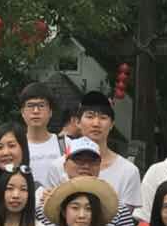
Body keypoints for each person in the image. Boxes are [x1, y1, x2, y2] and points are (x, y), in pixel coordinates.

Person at [35, 136, 139, 226]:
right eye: (78, 160)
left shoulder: (119, 211)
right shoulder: (45, 209)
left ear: (100, 166)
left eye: (92, 161)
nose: (85, 166)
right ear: (65, 165)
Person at [43, 91, 142, 219]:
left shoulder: (128, 171)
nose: (96, 123)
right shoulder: (57, 166)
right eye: (89, 116)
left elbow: (123, 220)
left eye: (103, 118)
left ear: (112, 124)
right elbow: (51, 214)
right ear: (77, 122)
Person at [19, 82, 65, 179]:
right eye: (30, 105)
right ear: (22, 112)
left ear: (50, 112)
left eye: (41, 105)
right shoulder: (16, 146)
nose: (36, 111)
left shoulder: (65, 144)